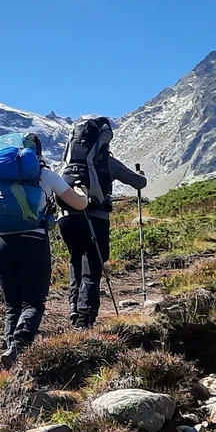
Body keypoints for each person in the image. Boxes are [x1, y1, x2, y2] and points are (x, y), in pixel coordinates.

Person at [0, 133, 89, 367]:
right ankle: (20, 346)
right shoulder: (43, 174)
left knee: (12, 302)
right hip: (33, 239)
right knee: (33, 301)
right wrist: (82, 191)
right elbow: (78, 204)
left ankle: (9, 349)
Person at [57, 118, 147, 329]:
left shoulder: (67, 163)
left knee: (75, 258)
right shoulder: (105, 161)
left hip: (66, 217)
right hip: (96, 217)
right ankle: (85, 318)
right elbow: (138, 183)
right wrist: (141, 176)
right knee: (93, 264)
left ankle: (73, 306)